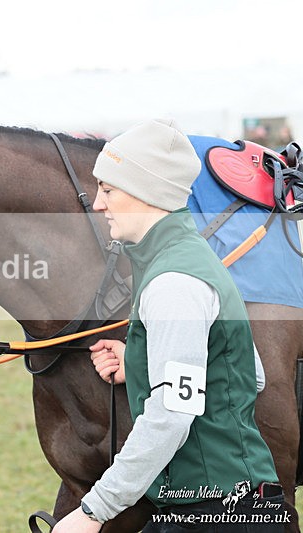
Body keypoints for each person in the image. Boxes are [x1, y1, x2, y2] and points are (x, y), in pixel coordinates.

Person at [53, 119, 284, 532]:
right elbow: (249, 374)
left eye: (108, 189)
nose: (99, 204)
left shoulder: (174, 282)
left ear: (146, 193)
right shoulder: (189, 257)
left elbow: (172, 414)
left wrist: (92, 513)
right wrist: (144, 361)